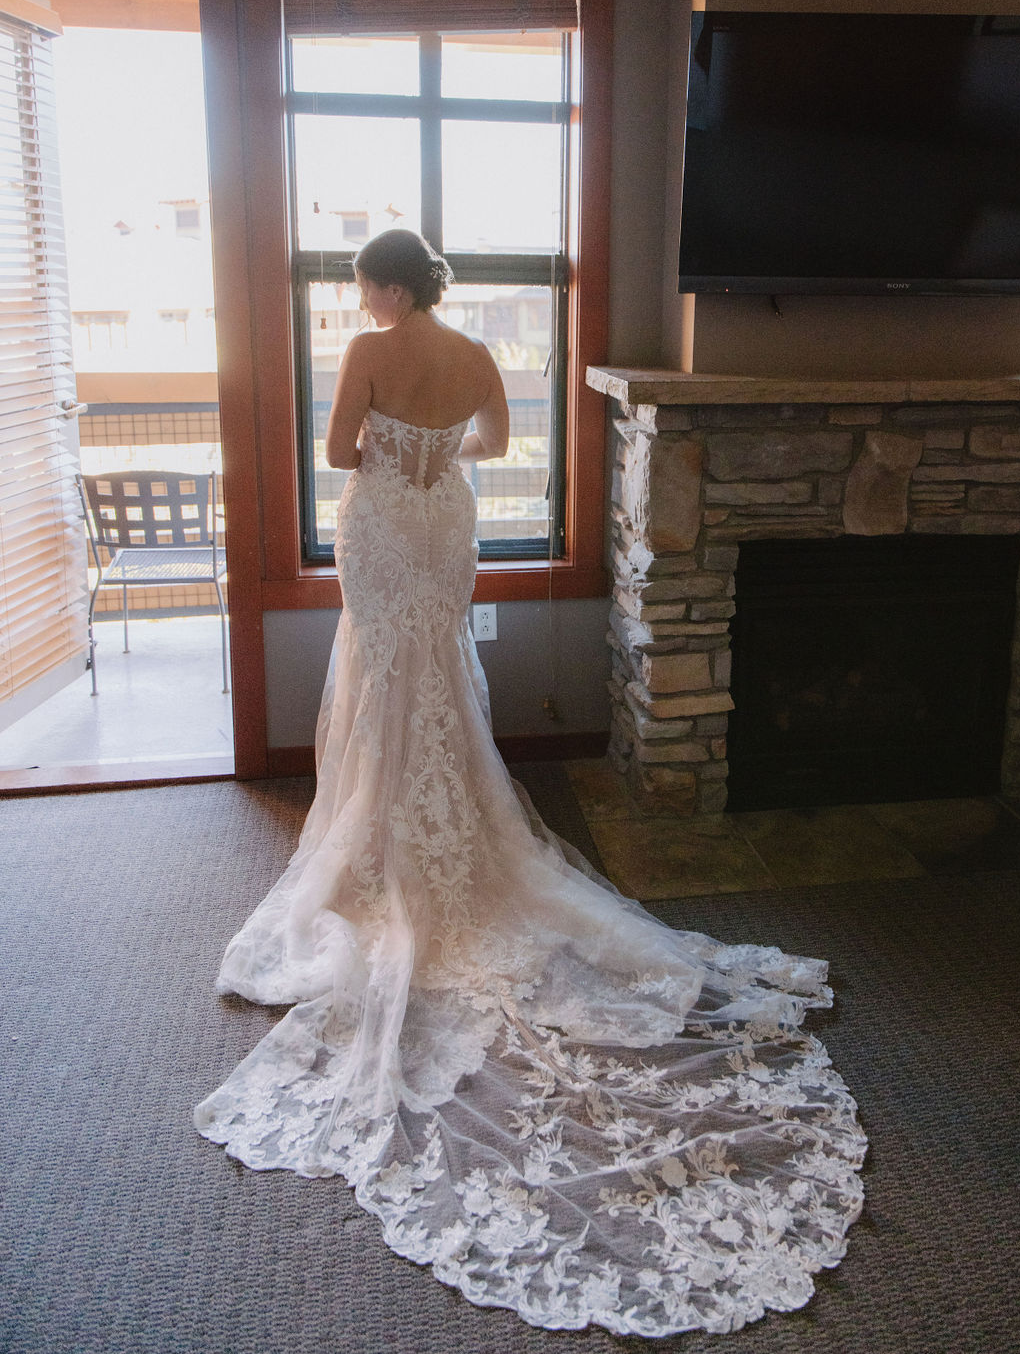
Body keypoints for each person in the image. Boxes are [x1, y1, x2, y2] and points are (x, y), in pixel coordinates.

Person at [195, 229, 866, 1338]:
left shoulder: (374, 346)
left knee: (381, 672)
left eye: (363, 279)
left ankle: (379, 839)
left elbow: (333, 452)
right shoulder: (471, 354)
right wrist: (436, 451)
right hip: (443, 520)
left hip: (381, 530)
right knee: (437, 674)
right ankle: (440, 821)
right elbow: (496, 442)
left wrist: (382, 448)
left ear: (386, 284)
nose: (359, 293)